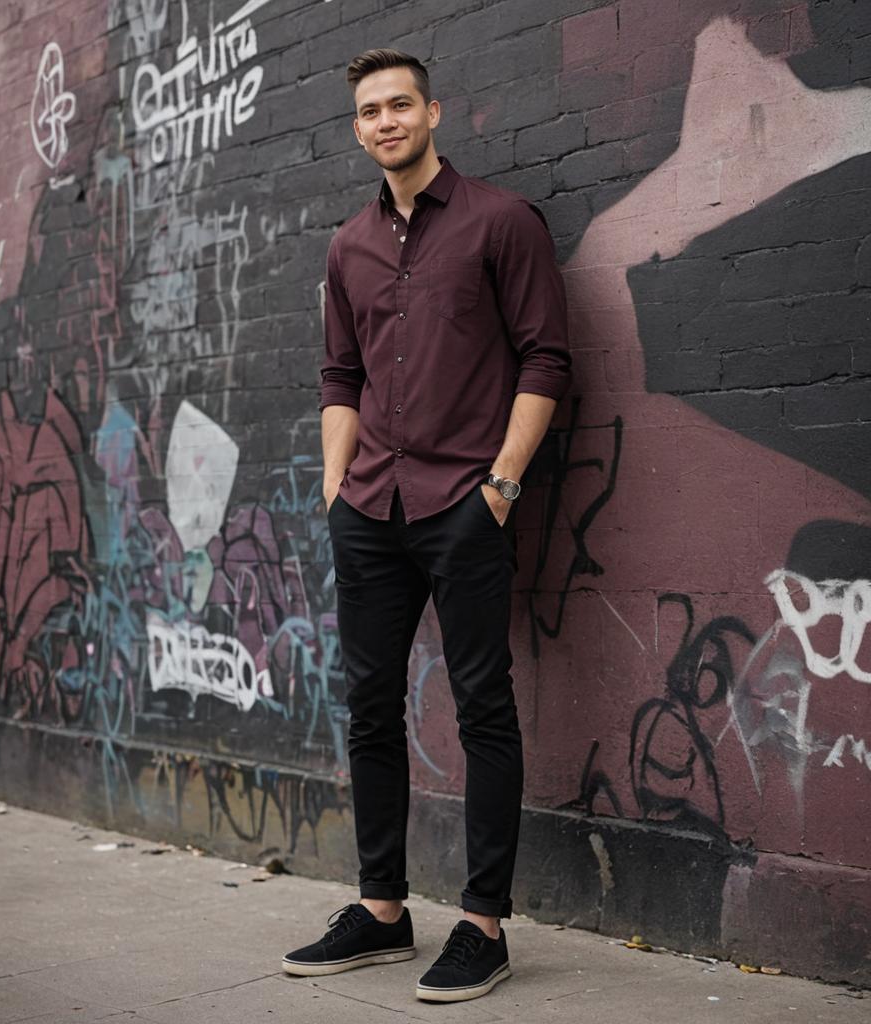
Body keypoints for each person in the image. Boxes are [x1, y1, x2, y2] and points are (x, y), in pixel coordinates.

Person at [281, 47, 570, 1003]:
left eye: (400, 104)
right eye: (369, 111)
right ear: (357, 129)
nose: (385, 121)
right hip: (369, 507)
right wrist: (335, 486)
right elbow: (339, 376)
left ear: (434, 112)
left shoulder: (501, 223)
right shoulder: (347, 246)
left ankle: (483, 926)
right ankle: (380, 911)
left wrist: (502, 484)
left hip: (464, 503)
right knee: (370, 707)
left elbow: (544, 359)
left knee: (483, 706)